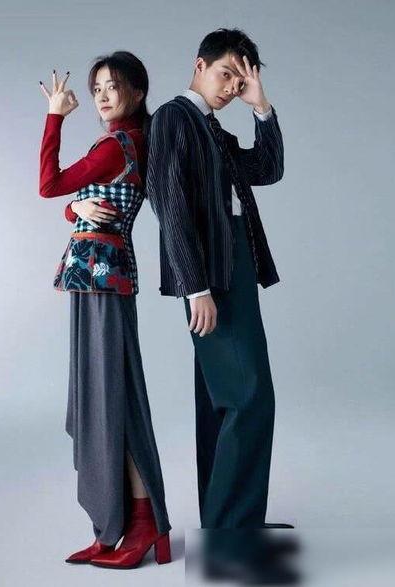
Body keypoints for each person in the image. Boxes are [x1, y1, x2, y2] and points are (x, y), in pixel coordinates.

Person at [147, 28, 288, 529]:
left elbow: (267, 169)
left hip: (235, 264)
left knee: (222, 399)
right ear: (199, 65)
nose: (230, 87)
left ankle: (226, 524)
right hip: (211, 275)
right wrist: (196, 287)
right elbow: (169, 203)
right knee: (248, 395)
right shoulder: (174, 117)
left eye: (239, 80)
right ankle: (233, 531)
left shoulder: (212, 128)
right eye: (226, 74)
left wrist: (261, 106)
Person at [38, 51, 171, 569]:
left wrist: (55, 115)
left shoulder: (117, 144)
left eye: (112, 86)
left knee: (111, 399)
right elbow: (88, 202)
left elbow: (49, 184)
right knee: (107, 397)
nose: (102, 96)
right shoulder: (132, 142)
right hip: (100, 279)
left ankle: (139, 524)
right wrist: (76, 208)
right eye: (97, 89)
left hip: (101, 281)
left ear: (137, 92)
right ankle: (116, 525)